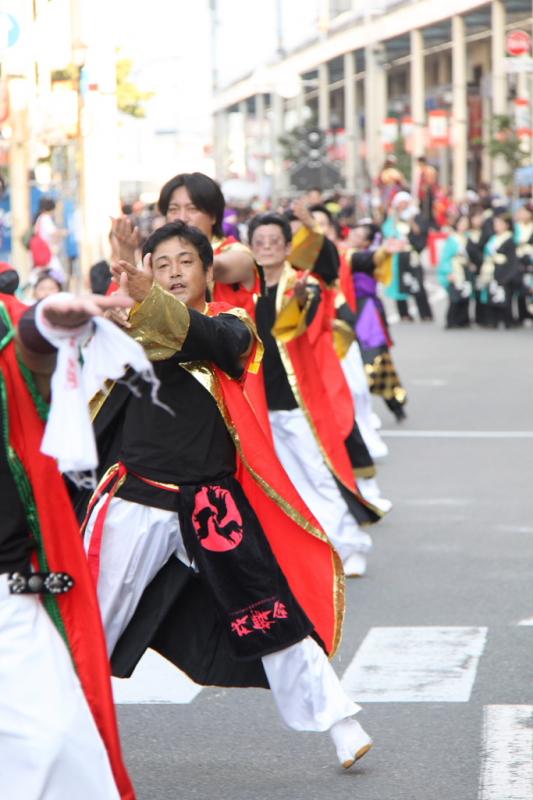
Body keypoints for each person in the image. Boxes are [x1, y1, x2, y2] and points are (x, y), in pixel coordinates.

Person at [82, 220, 374, 770]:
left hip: (213, 509)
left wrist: (144, 295)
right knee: (91, 623)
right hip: (135, 501)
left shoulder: (232, 325)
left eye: (184, 263)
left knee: (271, 615)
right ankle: (58, 737)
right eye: (160, 264)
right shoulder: (130, 328)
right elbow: (118, 338)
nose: (172, 273)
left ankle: (341, 722)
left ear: (209, 272)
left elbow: (205, 339)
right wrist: (125, 287)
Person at [0, 290, 135, 799]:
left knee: (60, 740)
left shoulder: (4, 317)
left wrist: (52, 324)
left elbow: (28, 342)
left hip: (12, 584)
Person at [249, 212, 379, 577]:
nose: (268, 247)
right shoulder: (245, 290)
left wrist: (302, 300)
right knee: (279, 485)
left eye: (276, 241)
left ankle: (350, 546)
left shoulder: (305, 286)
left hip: (298, 403)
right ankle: (299, 552)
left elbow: (292, 328)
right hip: (259, 406)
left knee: (320, 477)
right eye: (260, 242)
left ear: (289, 246)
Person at [345, 221, 407, 423]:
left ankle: (395, 404)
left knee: (375, 361)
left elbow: (374, 259)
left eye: (360, 233)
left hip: (366, 312)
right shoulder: (340, 252)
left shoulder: (362, 257)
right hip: (342, 312)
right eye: (354, 230)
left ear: (368, 242)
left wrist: (385, 252)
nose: (354, 234)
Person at [479, 212, 521, 329]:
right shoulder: (493, 238)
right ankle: (493, 320)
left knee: (504, 298)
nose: (496, 225)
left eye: (499, 223)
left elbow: (512, 260)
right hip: (492, 271)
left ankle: (507, 320)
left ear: (506, 225)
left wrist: (507, 276)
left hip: (504, 272)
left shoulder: (509, 240)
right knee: (492, 296)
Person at [437, 214, 474, 329]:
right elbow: (445, 257)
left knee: (465, 294)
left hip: (465, 268)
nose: (464, 226)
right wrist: (448, 272)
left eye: (465, 223)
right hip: (455, 268)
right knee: (455, 296)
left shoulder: (468, 238)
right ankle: (451, 320)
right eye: (461, 223)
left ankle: (463, 320)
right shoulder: (452, 239)